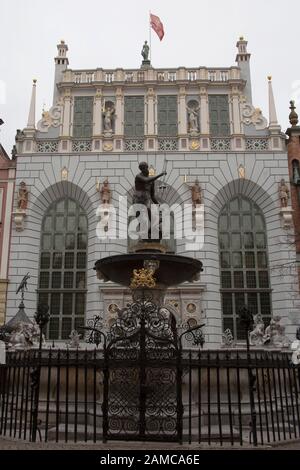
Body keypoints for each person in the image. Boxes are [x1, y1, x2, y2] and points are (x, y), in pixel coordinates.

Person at [132, 162, 167, 239]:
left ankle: (152, 228)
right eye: (143, 168)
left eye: (145, 168)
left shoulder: (152, 182)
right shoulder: (138, 176)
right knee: (141, 219)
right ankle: (145, 232)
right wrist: (160, 174)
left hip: (146, 199)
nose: (145, 169)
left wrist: (159, 205)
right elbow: (146, 180)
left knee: (148, 210)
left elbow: (152, 196)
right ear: (141, 169)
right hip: (138, 200)